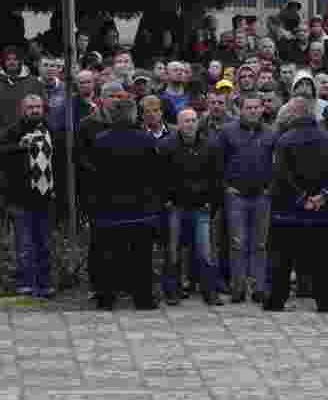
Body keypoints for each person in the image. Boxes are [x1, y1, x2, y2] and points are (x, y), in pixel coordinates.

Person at [264, 97, 328, 313]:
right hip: (321, 211)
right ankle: (325, 301)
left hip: (289, 211)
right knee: (322, 259)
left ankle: (276, 300)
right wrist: (322, 196)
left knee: (282, 259)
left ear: (294, 114)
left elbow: (281, 174)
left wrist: (301, 198)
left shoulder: (284, 140)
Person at [86, 98, 164, 310]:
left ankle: (106, 299)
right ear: (133, 115)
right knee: (141, 256)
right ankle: (143, 299)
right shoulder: (146, 140)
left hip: (108, 209)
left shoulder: (100, 140)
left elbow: (93, 175)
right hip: (140, 209)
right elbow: (155, 175)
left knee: (107, 256)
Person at [214, 92, 277, 304]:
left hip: (262, 196)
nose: (253, 111)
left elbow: (277, 165)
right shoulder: (226, 132)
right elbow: (216, 163)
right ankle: (238, 287)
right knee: (237, 243)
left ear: (262, 109)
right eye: (248, 107)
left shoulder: (271, 133)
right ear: (240, 109)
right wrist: (225, 187)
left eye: (256, 107)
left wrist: (270, 187)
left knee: (261, 244)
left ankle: (259, 287)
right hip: (236, 196)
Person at [158, 108, 224, 306]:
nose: (190, 124)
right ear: (178, 124)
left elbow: (216, 177)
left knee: (205, 251)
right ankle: (172, 291)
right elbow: (159, 178)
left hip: (201, 206)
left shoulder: (210, 145)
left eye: (194, 120)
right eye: (186, 120)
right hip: (175, 206)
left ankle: (209, 292)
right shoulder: (166, 145)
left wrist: (212, 202)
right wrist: (166, 200)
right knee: (173, 250)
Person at [0, 94, 55, 297]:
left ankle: (44, 284)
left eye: (38, 106)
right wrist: (19, 147)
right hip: (20, 196)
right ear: (23, 109)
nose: (35, 110)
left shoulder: (49, 128)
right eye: (30, 107)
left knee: (43, 243)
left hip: (44, 195)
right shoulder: (14, 130)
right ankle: (25, 284)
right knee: (24, 244)